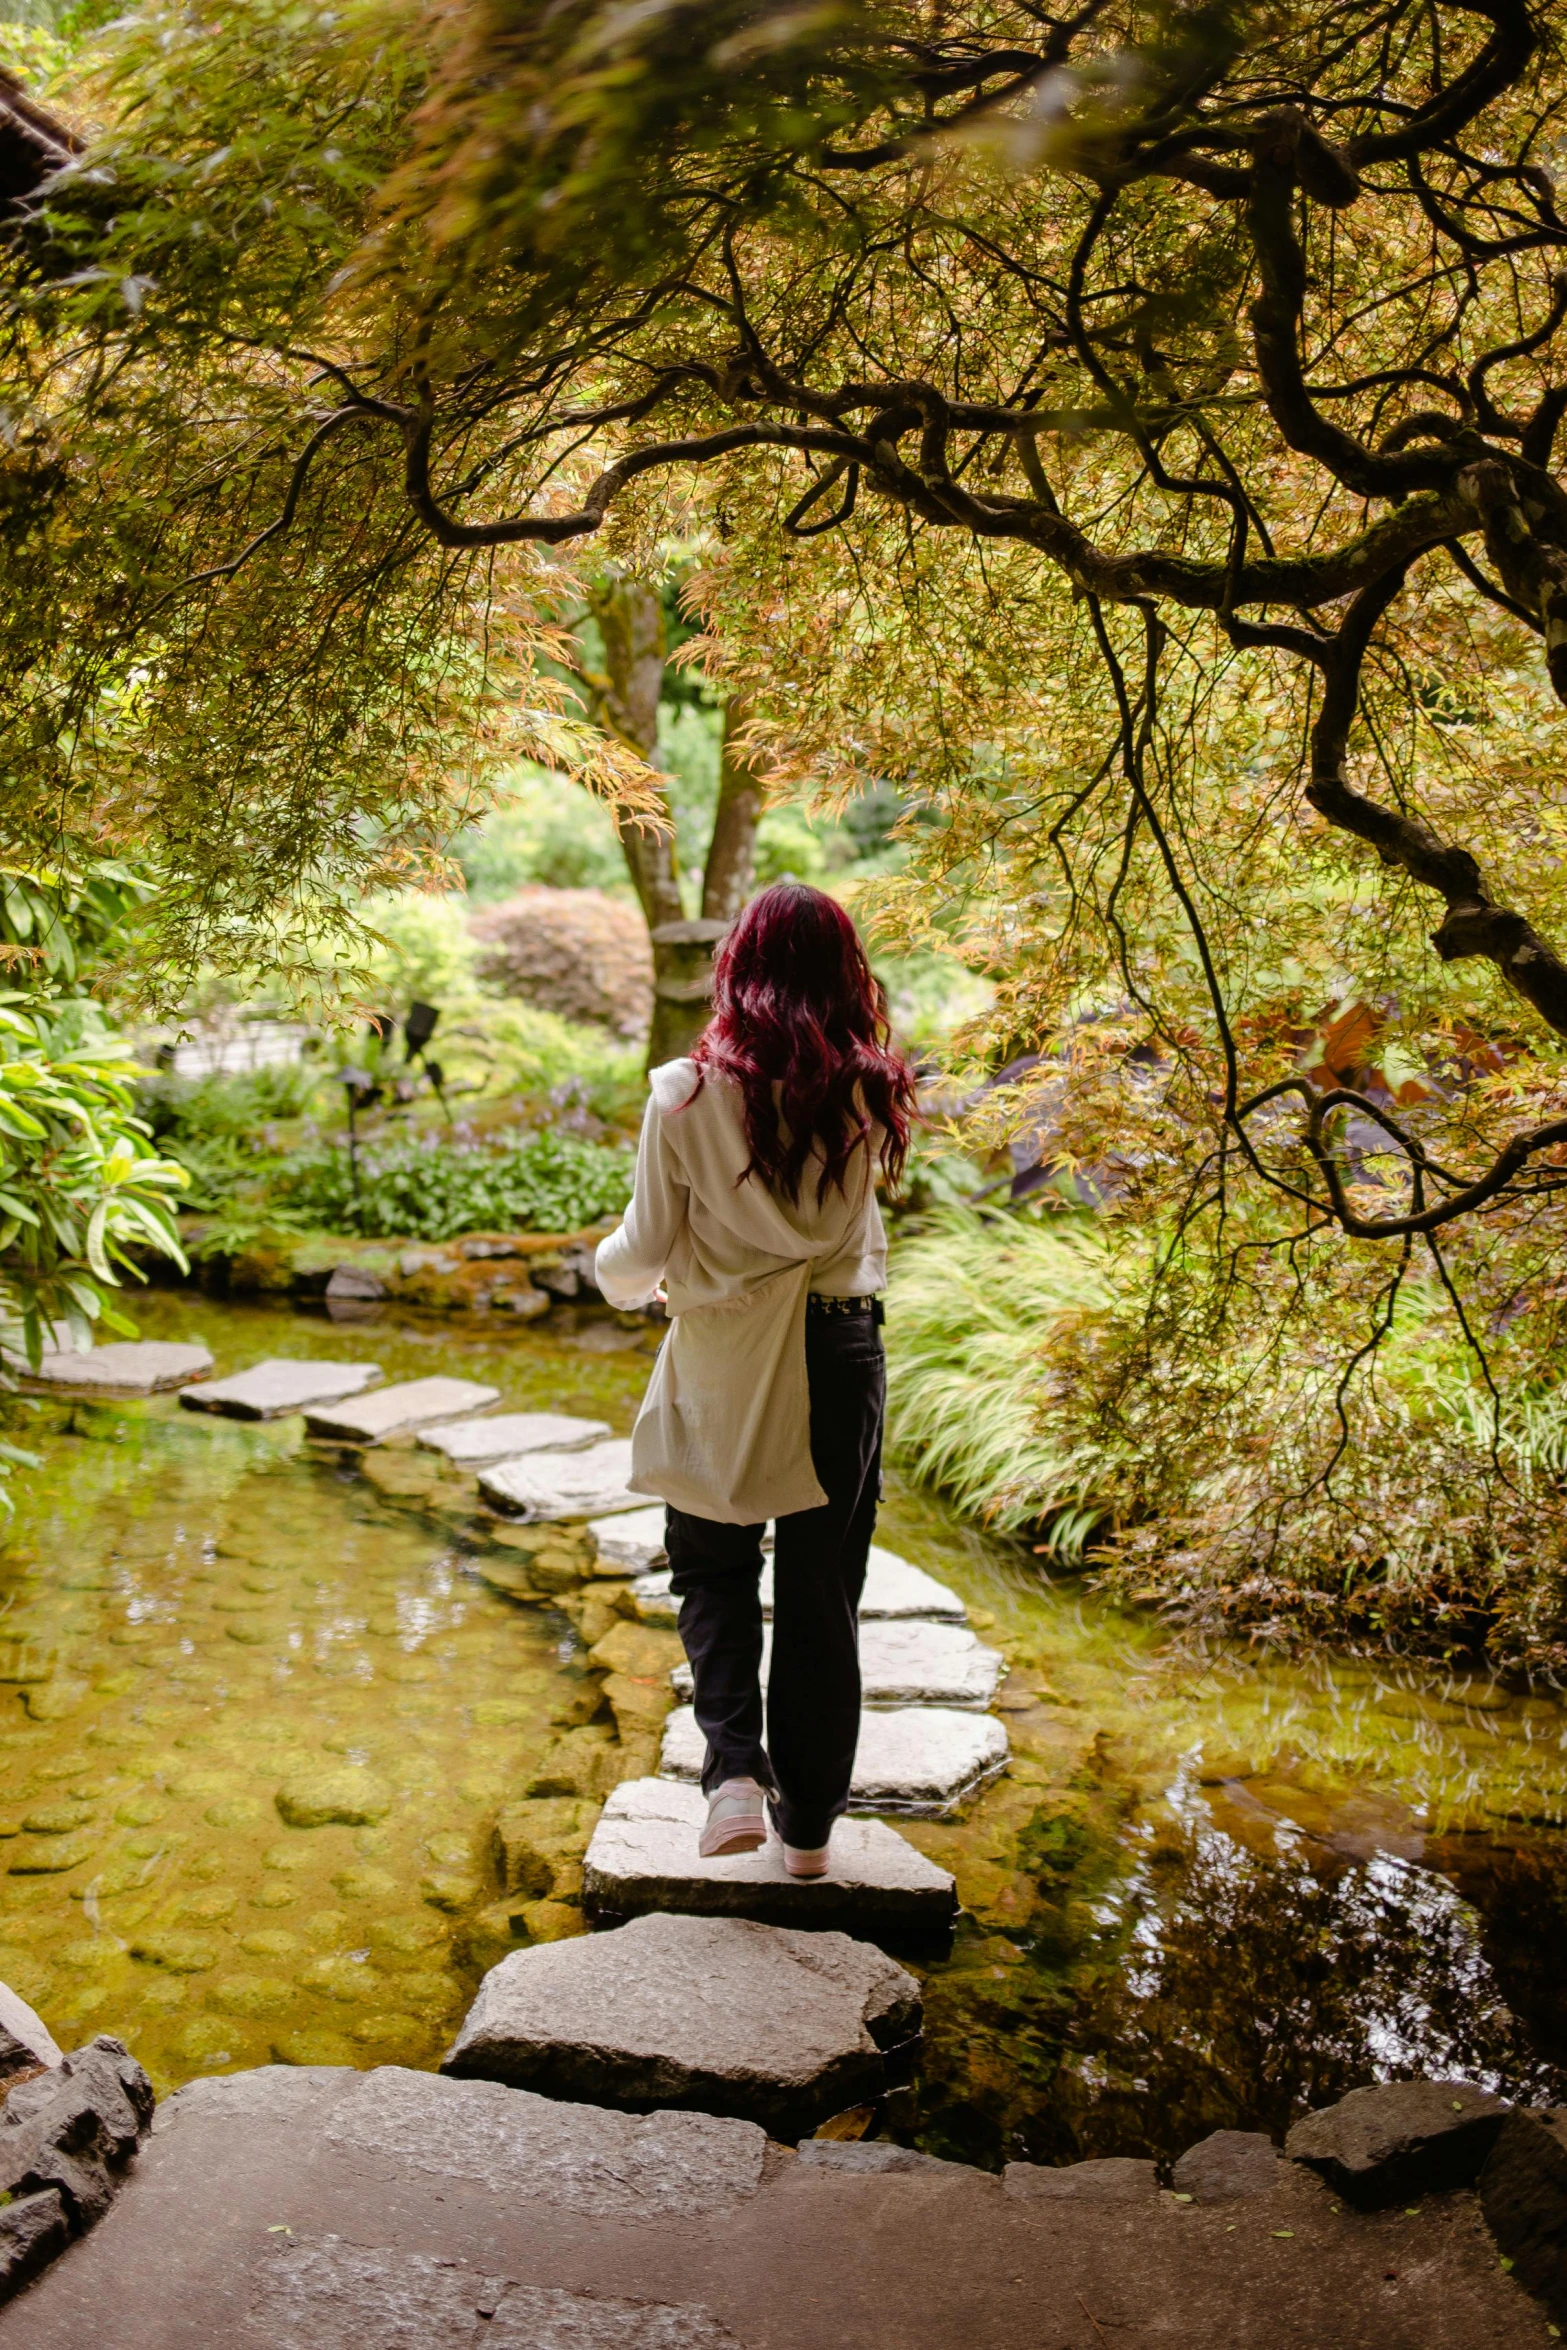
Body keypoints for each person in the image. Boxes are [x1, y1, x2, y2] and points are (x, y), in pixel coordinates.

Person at [594, 881, 916, 1878]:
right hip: (840, 1349)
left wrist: (612, 1278)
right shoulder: (871, 1088)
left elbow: (642, 1250)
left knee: (710, 1563)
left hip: (727, 1356)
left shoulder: (682, 1094)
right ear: (842, 972)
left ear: (738, 967)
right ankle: (810, 1837)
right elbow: (858, 1236)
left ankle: (734, 1773)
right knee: (823, 1593)